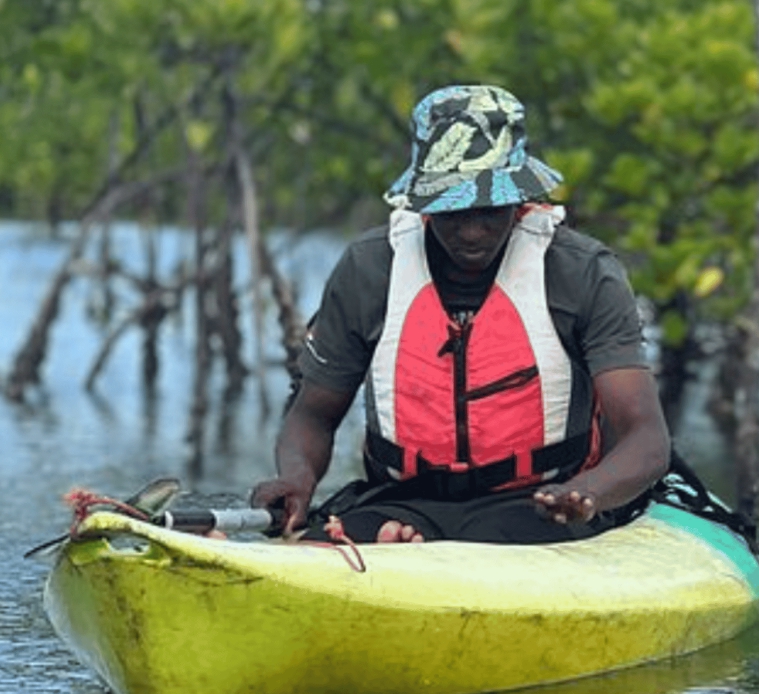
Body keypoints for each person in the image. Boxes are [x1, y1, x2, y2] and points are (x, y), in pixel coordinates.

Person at [250, 84, 670, 544]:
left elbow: (645, 438)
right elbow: (312, 414)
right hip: (404, 499)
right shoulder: (370, 269)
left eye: (490, 210)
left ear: (519, 197)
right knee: (328, 542)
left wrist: (584, 493)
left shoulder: (581, 272)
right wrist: (297, 477)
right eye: (452, 210)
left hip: (541, 504)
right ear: (426, 203)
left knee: (508, 529)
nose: (472, 231)